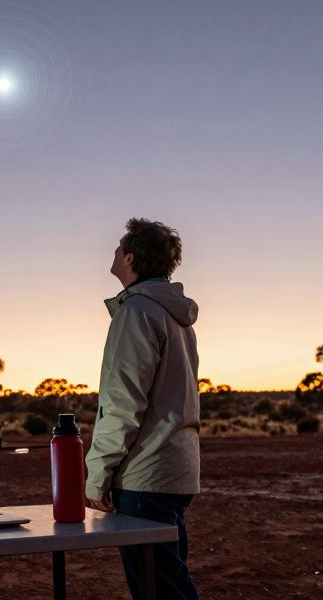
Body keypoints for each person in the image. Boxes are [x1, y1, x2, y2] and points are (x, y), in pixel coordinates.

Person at [85, 217, 201, 599]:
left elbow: (122, 403)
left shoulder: (136, 312)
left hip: (143, 476)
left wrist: (98, 474)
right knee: (170, 582)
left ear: (131, 258)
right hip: (174, 469)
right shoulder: (175, 315)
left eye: (119, 247)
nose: (114, 252)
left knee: (160, 590)